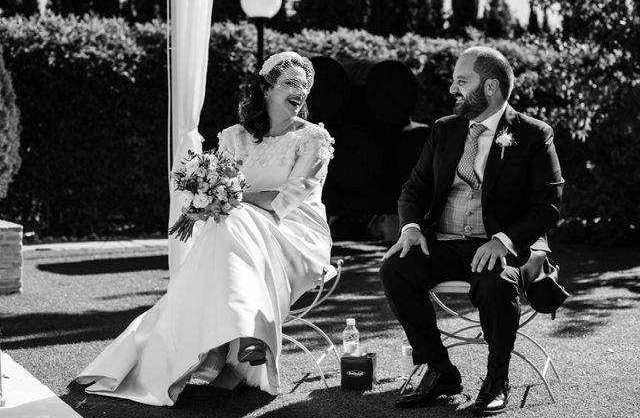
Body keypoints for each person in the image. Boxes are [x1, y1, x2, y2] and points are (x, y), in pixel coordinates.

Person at [76, 51, 335, 405]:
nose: (300, 92)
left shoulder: (313, 138)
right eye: (290, 83)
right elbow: (220, 189)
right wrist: (208, 204)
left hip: (296, 232)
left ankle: (219, 347)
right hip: (239, 230)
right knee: (227, 224)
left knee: (231, 220)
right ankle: (239, 337)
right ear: (266, 88)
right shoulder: (234, 137)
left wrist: (229, 200)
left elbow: (291, 197)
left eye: (304, 87)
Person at [379, 46, 564, 415]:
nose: (452, 90)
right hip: (443, 244)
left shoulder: (532, 134)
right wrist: (412, 228)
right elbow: (414, 188)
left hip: (499, 247)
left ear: (491, 86)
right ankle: (440, 370)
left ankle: (497, 380)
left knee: (496, 285)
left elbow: (548, 206)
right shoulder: (444, 130)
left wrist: (502, 240)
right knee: (395, 269)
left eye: (461, 82)